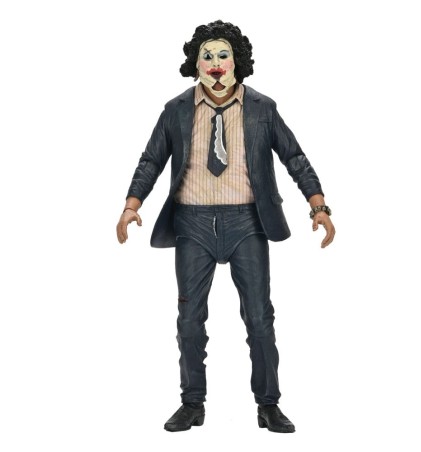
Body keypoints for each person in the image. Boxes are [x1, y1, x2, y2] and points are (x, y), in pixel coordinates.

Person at [116, 20, 335, 433]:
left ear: (238, 62)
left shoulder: (262, 109)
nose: (216, 64)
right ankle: (192, 403)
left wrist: (318, 206)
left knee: (259, 318)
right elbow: (151, 160)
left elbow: (294, 157)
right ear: (195, 63)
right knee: (189, 319)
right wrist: (131, 205)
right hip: (192, 222)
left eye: (223, 55)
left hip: (247, 222)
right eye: (207, 56)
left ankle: (268, 404)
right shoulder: (176, 109)